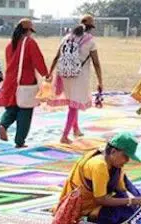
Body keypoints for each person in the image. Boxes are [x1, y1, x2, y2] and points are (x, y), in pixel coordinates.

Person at [55, 132, 141, 224]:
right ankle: (91, 215)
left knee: (129, 200)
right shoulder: (99, 165)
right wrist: (132, 201)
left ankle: (140, 206)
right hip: (85, 205)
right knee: (123, 213)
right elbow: (101, 199)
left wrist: (136, 199)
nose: (127, 161)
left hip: (98, 201)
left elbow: (121, 189)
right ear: (113, 152)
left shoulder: (114, 164)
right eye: (125, 156)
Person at [47, 15, 103, 145]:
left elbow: (57, 57)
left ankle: (76, 128)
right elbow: (96, 63)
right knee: (74, 104)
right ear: (90, 28)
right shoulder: (90, 41)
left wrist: (50, 72)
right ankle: (65, 136)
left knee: (73, 103)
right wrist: (100, 81)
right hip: (79, 76)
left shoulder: (66, 38)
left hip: (64, 73)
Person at [0, 18, 48, 148]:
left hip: (10, 81)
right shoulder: (29, 43)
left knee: (12, 108)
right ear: (28, 31)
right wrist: (46, 74)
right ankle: (19, 140)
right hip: (25, 82)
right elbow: (37, 60)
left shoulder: (10, 45)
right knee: (25, 111)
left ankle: (3, 125)